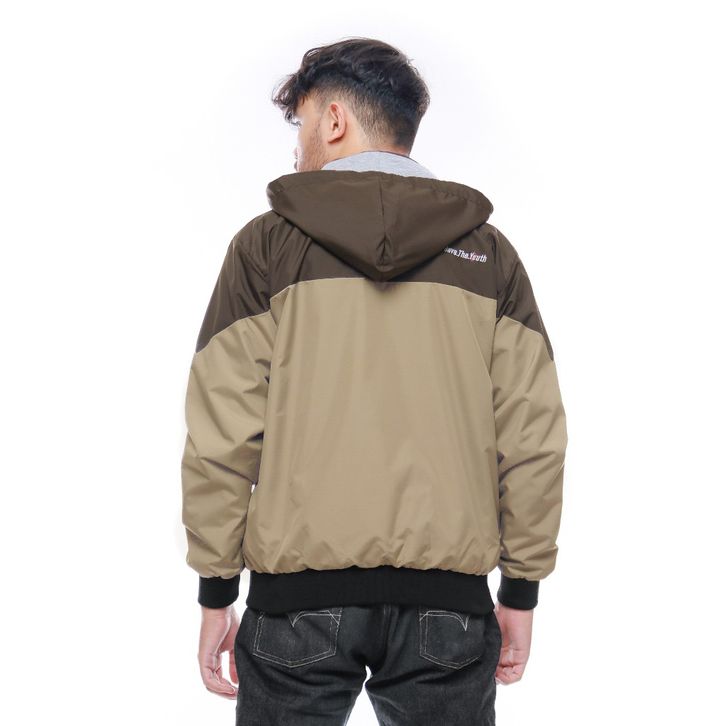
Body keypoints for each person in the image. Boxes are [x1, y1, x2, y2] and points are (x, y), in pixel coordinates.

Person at [180, 36, 567, 726]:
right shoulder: (489, 257)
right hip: (449, 606)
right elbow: (534, 438)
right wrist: (521, 589)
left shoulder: (265, 248)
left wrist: (216, 589)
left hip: (295, 604)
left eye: (302, 124)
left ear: (334, 120)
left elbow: (221, 434)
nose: (297, 148)